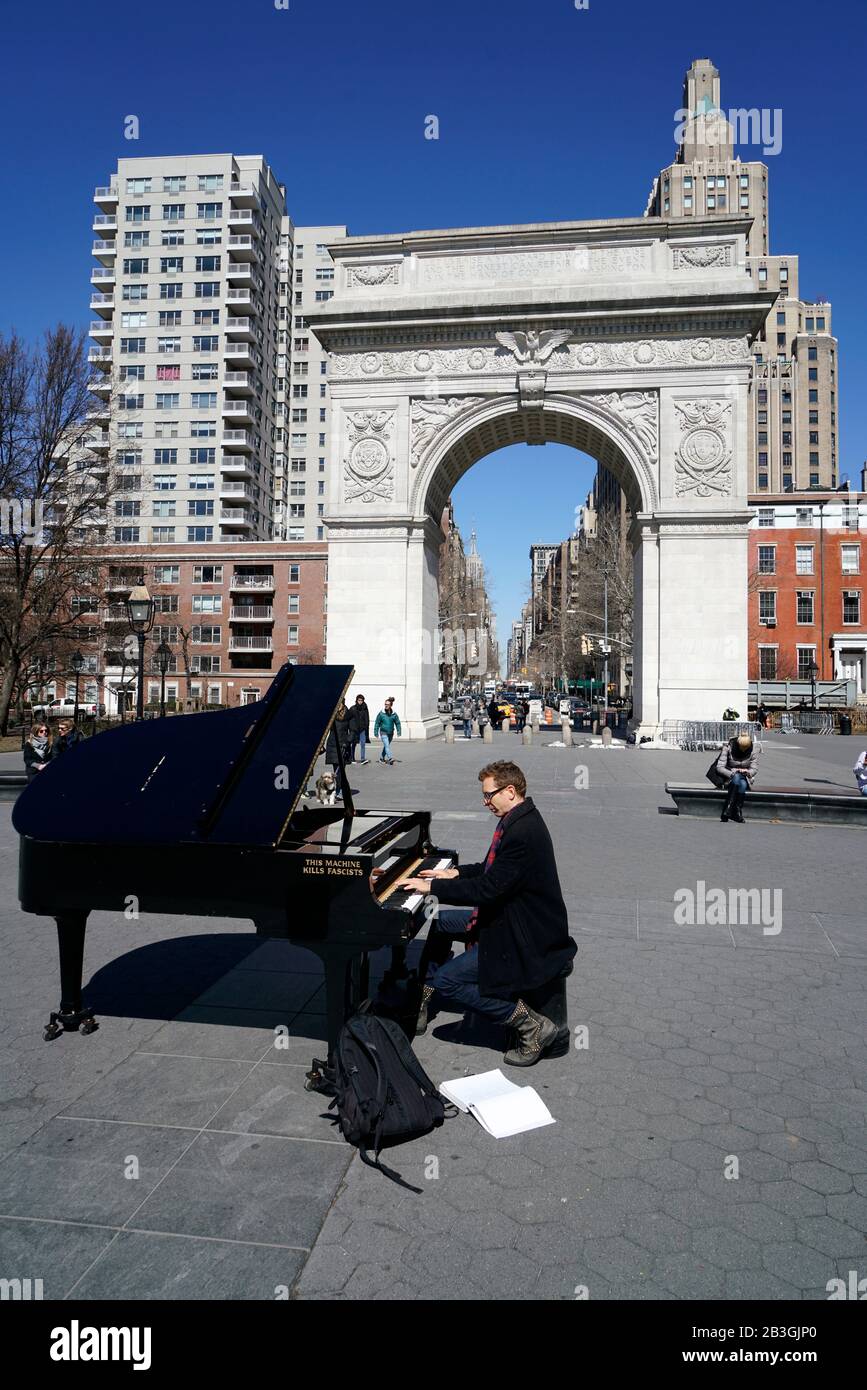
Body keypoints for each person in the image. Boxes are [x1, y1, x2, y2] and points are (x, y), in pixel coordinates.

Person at [399, 760, 577, 1067]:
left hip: (524, 934)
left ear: (510, 790)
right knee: (441, 924)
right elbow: (489, 871)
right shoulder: (517, 819)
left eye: (488, 794)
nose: (485, 802)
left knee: (448, 981)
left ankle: (531, 1025)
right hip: (510, 915)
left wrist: (431, 890)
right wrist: (452, 874)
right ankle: (423, 996)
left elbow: (488, 889)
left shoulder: (522, 831)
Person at [715, 732, 759, 824]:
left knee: (741, 781)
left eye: (745, 748)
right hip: (729, 777)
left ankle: (728, 811)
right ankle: (736, 812)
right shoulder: (728, 747)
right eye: (741, 748)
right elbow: (719, 767)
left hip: (745, 777)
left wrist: (748, 772)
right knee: (739, 781)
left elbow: (754, 768)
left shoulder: (754, 749)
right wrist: (732, 773)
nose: (743, 750)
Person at [324, 700, 353, 798]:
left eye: (340, 704)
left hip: (343, 745)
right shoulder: (332, 714)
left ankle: (340, 790)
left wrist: (347, 741)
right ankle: (340, 789)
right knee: (336, 769)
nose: (338, 706)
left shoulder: (348, 715)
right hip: (332, 744)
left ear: (343, 703)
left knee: (340, 770)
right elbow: (326, 729)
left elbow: (353, 731)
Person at [374, 697, 401, 764]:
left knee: (386, 746)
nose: (386, 705)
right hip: (383, 732)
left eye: (387, 704)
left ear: (391, 705)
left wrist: (399, 731)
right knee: (387, 745)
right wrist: (376, 732)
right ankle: (390, 758)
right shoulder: (381, 713)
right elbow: (377, 723)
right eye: (385, 704)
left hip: (391, 732)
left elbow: (397, 723)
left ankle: (381, 758)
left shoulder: (394, 714)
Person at [348, 693, 370, 764]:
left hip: (362, 729)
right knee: (353, 744)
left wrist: (366, 726)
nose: (360, 702)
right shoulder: (352, 708)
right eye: (359, 700)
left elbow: (367, 718)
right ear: (356, 700)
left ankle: (363, 759)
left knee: (363, 743)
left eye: (361, 700)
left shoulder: (365, 708)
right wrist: (351, 727)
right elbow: (348, 718)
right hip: (355, 729)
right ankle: (352, 758)